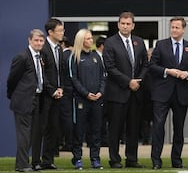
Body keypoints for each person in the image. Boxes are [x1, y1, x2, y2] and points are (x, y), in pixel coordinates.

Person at [149, 16, 188, 170]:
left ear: (183, 29)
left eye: (177, 27)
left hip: (181, 94)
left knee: (179, 129)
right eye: (172, 27)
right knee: (158, 127)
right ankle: (156, 161)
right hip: (162, 94)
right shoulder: (161, 45)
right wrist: (167, 71)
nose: (174, 30)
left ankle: (176, 160)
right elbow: (152, 66)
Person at [103, 11, 148, 168]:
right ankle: (114, 159)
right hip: (117, 93)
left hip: (136, 93)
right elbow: (110, 67)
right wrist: (128, 81)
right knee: (115, 129)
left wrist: (138, 81)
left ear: (133, 25)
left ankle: (132, 159)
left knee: (133, 129)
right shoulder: (110, 42)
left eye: (128, 24)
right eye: (123, 23)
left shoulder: (139, 42)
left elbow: (145, 64)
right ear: (118, 24)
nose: (125, 26)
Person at [7, 29, 45, 172]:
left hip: (36, 99)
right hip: (23, 101)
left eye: (41, 41)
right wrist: (13, 94)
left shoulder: (40, 56)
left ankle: (21, 164)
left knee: (31, 135)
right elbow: (12, 79)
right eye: (36, 40)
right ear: (29, 40)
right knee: (24, 134)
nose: (39, 43)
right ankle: (23, 165)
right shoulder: (22, 57)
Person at [68, 29, 106, 169]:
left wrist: (100, 92)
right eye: (89, 38)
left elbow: (103, 76)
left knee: (96, 131)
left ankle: (95, 159)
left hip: (97, 100)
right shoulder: (74, 56)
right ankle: (77, 158)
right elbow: (74, 79)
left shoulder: (96, 55)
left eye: (91, 38)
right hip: (81, 101)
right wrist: (86, 93)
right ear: (81, 40)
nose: (91, 41)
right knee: (79, 131)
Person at [31, 19, 64, 170]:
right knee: (40, 129)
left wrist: (60, 88)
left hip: (58, 95)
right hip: (44, 96)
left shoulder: (59, 49)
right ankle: (36, 161)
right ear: (50, 32)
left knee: (53, 128)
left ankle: (47, 160)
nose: (62, 33)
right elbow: (41, 74)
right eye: (60, 30)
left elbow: (60, 72)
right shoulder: (43, 50)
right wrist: (52, 90)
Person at [58, 36, 74, 152]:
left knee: (66, 118)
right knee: (70, 117)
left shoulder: (63, 56)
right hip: (73, 90)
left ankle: (68, 143)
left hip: (65, 90)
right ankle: (70, 142)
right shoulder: (73, 55)